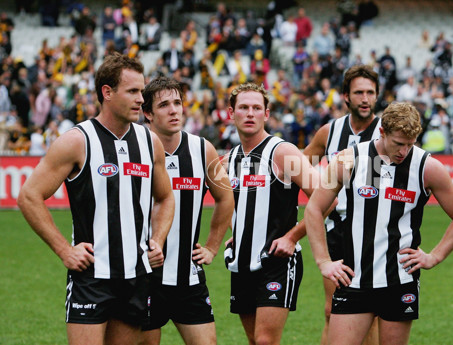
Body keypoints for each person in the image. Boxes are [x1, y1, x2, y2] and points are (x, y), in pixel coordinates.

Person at [17, 53, 175, 345]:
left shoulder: (149, 141)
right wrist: (65, 250)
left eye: (142, 90)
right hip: (91, 277)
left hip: (135, 276)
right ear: (107, 92)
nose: (142, 99)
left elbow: (165, 199)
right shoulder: (77, 141)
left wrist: (159, 239)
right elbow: (28, 196)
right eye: (133, 91)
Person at [305, 101, 453, 345]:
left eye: (410, 144)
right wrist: (323, 261)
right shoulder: (350, 160)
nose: (404, 151)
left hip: (400, 281)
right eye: (398, 143)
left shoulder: (427, 167)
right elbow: (314, 209)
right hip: (354, 279)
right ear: (382, 132)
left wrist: (434, 256)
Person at [140, 76, 234, 345]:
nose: (174, 110)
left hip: (188, 278)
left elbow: (226, 198)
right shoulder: (136, 150)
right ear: (147, 113)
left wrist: (213, 247)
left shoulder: (202, 149)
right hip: (145, 278)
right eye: (164, 105)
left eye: (178, 103)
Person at [223, 83, 320, 345]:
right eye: (243, 108)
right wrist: (238, 233)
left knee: (266, 341)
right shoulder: (229, 159)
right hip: (242, 262)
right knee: (256, 341)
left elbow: (326, 199)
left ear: (267, 114)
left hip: (276, 262)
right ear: (231, 113)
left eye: (257, 108)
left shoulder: (282, 151)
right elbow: (235, 205)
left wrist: (292, 237)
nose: (250, 113)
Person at [303, 64, 382, 345]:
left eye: (370, 92)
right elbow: (301, 163)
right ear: (345, 96)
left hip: (374, 233)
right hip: (336, 228)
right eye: (358, 92)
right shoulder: (330, 132)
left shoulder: (387, 132)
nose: (365, 98)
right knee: (331, 310)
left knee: (369, 314)